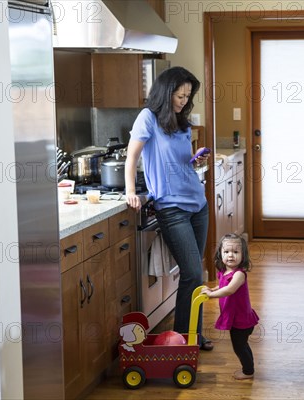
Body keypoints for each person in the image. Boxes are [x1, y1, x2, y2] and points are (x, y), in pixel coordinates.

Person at [124, 66, 214, 351]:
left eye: (188, 96)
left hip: (198, 205)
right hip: (171, 208)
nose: (184, 101)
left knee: (193, 273)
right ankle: (182, 342)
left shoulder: (182, 122)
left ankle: (192, 337)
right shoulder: (147, 118)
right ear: (166, 91)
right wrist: (129, 192)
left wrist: (195, 162)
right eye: (180, 95)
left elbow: (182, 161)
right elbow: (132, 157)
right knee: (192, 274)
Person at [201, 234, 259, 380]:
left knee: (240, 347)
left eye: (235, 252)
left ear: (243, 255)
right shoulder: (223, 272)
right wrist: (212, 289)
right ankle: (248, 368)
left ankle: (248, 371)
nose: (230, 255)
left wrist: (211, 296)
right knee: (240, 345)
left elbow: (229, 290)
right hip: (234, 318)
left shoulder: (239, 274)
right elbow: (222, 286)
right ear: (220, 253)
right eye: (226, 252)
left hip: (241, 320)